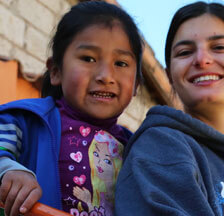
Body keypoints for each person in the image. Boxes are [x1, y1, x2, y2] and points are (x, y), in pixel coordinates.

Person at [115, 2, 224, 216]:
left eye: (219, 47)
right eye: (185, 52)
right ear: (170, 76)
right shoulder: (161, 147)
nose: (202, 60)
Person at [0, 1, 143, 216]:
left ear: (136, 85)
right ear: (56, 71)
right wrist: (11, 171)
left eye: (121, 63)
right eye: (88, 58)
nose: (105, 75)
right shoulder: (25, 120)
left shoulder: (137, 151)